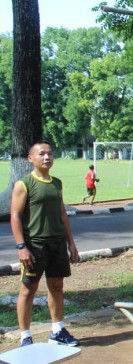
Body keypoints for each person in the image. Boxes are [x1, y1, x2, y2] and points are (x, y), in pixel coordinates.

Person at [10, 141, 80, 348]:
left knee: (57, 287)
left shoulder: (56, 183)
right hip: (35, 246)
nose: (47, 157)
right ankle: (25, 337)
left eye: (50, 154)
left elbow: (62, 214)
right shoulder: (23, 184)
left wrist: (71, 243)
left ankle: (57, 331)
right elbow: (15, 216)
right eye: (41, 154)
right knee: (28, 290)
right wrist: (21, 246)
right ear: (31, 158)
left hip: (57, 244)